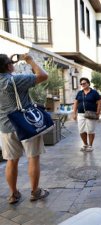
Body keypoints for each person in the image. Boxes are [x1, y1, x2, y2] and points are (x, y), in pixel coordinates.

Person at [0, 53, 49, 204]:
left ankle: (13, 194)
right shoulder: (15, 80)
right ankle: (35, 192)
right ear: (9, 66)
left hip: (5, 127)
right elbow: (43, 75)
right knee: (33, 158)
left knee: (11, 160)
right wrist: (29, 60)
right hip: (26, 124)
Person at [73, 77, 101, 152]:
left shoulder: (94, 92)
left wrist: (98, 111)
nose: (83, 85)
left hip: (91, 113)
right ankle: (85, 144)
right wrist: (74, 113)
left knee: (90, 130)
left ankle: (90, 145)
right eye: (81, 84)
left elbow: (99, 101)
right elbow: (76, 103)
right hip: (81, 114)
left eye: (84, 83)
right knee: (81, 130)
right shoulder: (80, 93)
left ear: (88, 83)